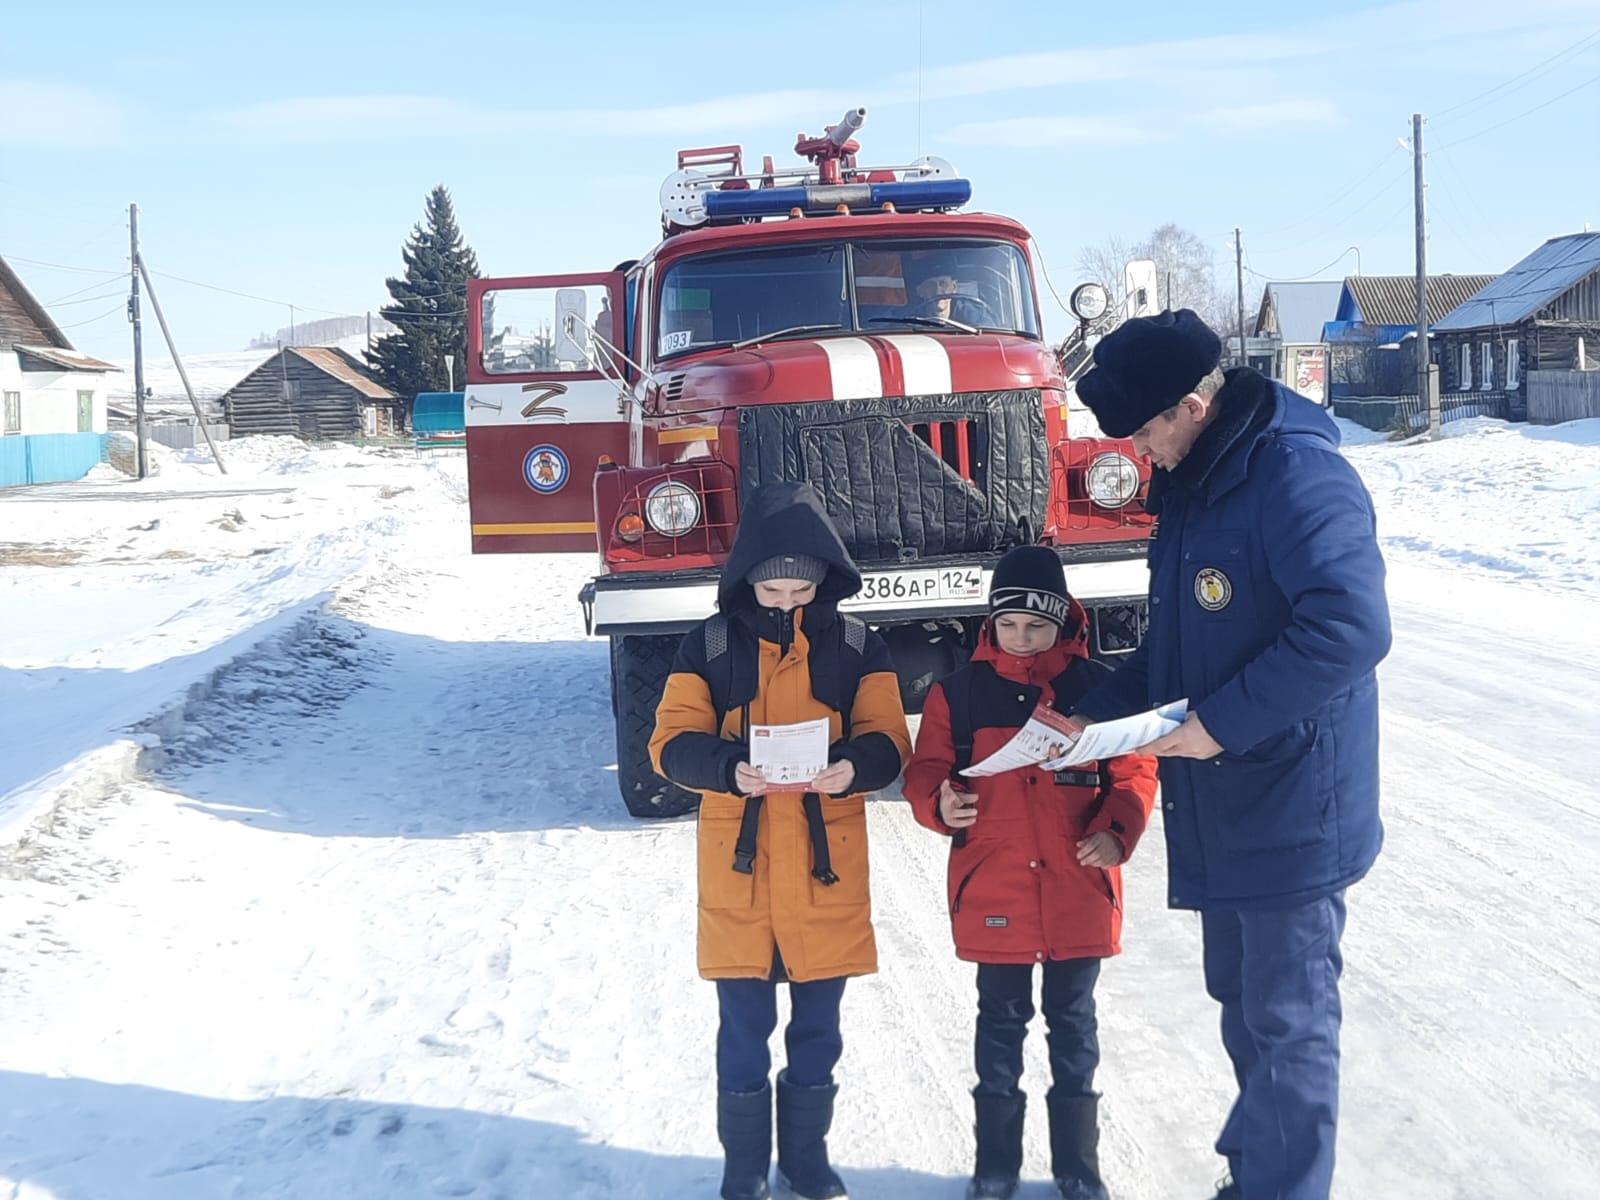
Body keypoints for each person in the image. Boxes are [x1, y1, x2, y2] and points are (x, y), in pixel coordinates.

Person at [1069, 309, 1392, 1200]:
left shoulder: (1295, 474)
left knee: (1288, 1023)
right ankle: (1257, 1176)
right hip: (1224, 799)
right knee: (1246, 1010)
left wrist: (1217, 724)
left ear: (1192, 407)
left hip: (1292, 798)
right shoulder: (1197, 484)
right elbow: (1181, 650)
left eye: (1142, 432)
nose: (1138, 452)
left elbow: (1351, 627)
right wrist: (1084, 712)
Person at [650, 481, 912, 1200]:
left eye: (802, 588)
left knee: (818, 1032)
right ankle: (743, 1173)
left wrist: (856, 767)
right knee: (743, 1034)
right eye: (774, 591)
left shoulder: (862, 644)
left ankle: (805, 1162)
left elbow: (890, 737)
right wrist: (729, 769)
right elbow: (669, 744)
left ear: (825, 577)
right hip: (742, 875)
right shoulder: (705, 645)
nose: (790, 603)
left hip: (826, 872)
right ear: (747, 583)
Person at [903, 546, 1158, 1200]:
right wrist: (940, 803)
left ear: (1065, 622)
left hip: (1079, 884)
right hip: (997, 885)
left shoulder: (1100, 689)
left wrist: (1115, 829)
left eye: (1037, 626)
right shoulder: (956, 695)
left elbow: (1131, 772)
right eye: (1010, 624)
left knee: (1074, 1025)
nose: (1023, 637)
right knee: (1000, 1022)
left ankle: (1078, 1167)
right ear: (991, 624)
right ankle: (996, 1168)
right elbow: (927, 770)